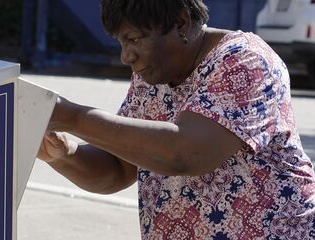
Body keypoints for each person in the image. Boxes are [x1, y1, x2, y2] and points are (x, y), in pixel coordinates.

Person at [37, 0, 315, 239]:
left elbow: (186, 153)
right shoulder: (152, 77)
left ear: (181, 23)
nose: (125, 56)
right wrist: (65, 154)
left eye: (134, 39)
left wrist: (73, 117)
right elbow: (120, 169)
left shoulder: (245, 61)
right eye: (121, 42)